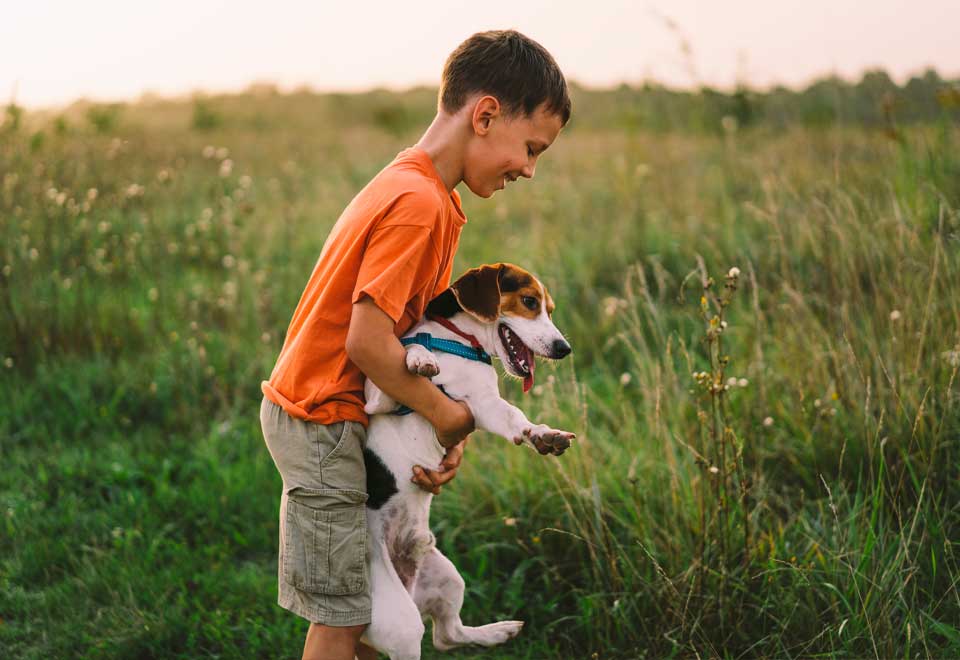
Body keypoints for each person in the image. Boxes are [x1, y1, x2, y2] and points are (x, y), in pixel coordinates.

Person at [259, 29, 571, 660]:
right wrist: (446, 415)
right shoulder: (418, 202)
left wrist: (439, 431)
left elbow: (407, 342)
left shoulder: (426, 192)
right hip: (320, 417)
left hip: (355, 413)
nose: (530, 169)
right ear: (484, 115)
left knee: (383, 604)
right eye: (531, 148)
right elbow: (369, 343)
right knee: (343, 617)